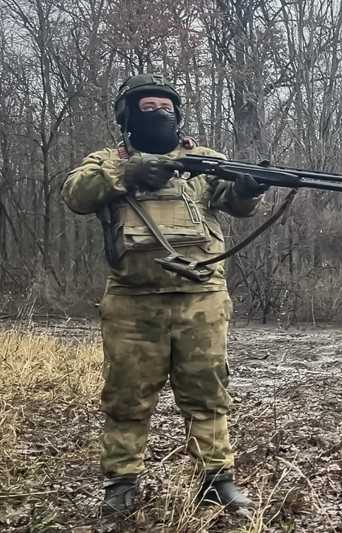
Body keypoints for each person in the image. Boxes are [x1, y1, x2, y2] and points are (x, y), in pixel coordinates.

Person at [62, 73, 269, 516]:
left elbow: (235, 201)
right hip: (133, 302)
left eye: (166, 108)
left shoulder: (204, 160)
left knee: (208, 393)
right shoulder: (106, 160)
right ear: (127, 118)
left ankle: (217, 481)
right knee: (126, 397)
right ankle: (120, 484)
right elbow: (75, 194)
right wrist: (127, 171)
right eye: (147, 109)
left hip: (202, 298)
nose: (159, 115)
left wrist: (250, 188)